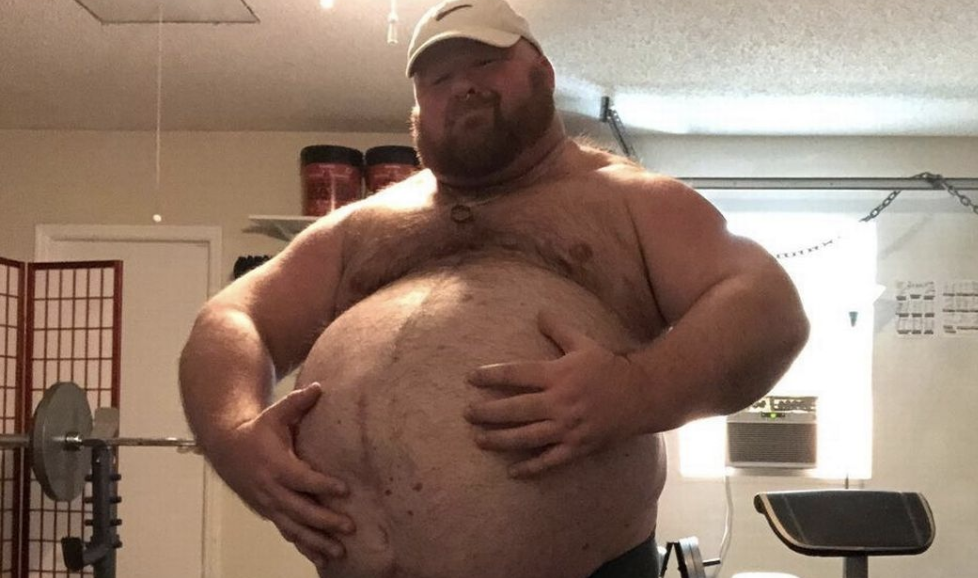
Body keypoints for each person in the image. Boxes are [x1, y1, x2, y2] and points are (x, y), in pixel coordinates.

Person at [178, 0, 810, 576]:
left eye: (485, 62)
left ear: (544, 72)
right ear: (417, 109)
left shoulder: (627, 201)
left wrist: (637, 389)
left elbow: (765, 306)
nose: (463, 85)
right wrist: (233, 436)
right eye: (437, 79)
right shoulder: (362, 225)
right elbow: (231, 319)